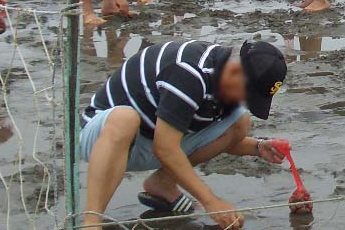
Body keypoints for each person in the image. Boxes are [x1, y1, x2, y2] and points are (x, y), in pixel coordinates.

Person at [79, 39, 288, 230]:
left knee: (240, 123)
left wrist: (258, 147)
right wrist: (211, 202)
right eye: (247, 94)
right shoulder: (189, 71)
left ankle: (162, 183)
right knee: (125, 118)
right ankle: (92, 221)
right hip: (104, 139)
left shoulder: (225, 83)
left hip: (153, 139)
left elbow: (210, 139)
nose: (244, 101)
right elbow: (165, 149)